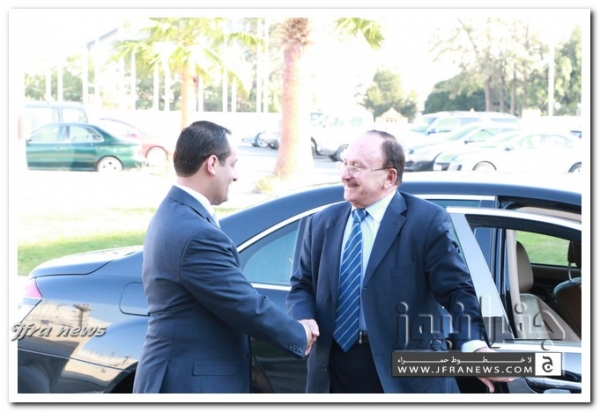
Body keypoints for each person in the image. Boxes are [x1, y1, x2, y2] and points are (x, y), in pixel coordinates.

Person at [286, 130, 511, 393]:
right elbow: (302, 285)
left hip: (404, 377)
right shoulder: (322, 222)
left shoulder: (425, 221)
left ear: (389, 177)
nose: (345, 175)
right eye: (344, 164)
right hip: (331, 373)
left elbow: (457, 291)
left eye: (356, 167)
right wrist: (302, 318)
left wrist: (474, 347)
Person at [133, 120, 318, 393]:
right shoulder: (196, 232)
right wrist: (299, 333)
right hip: (189, 384)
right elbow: (242, 303)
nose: (235, 175)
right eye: (232, 164)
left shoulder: (174, 212)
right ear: (212, 164)